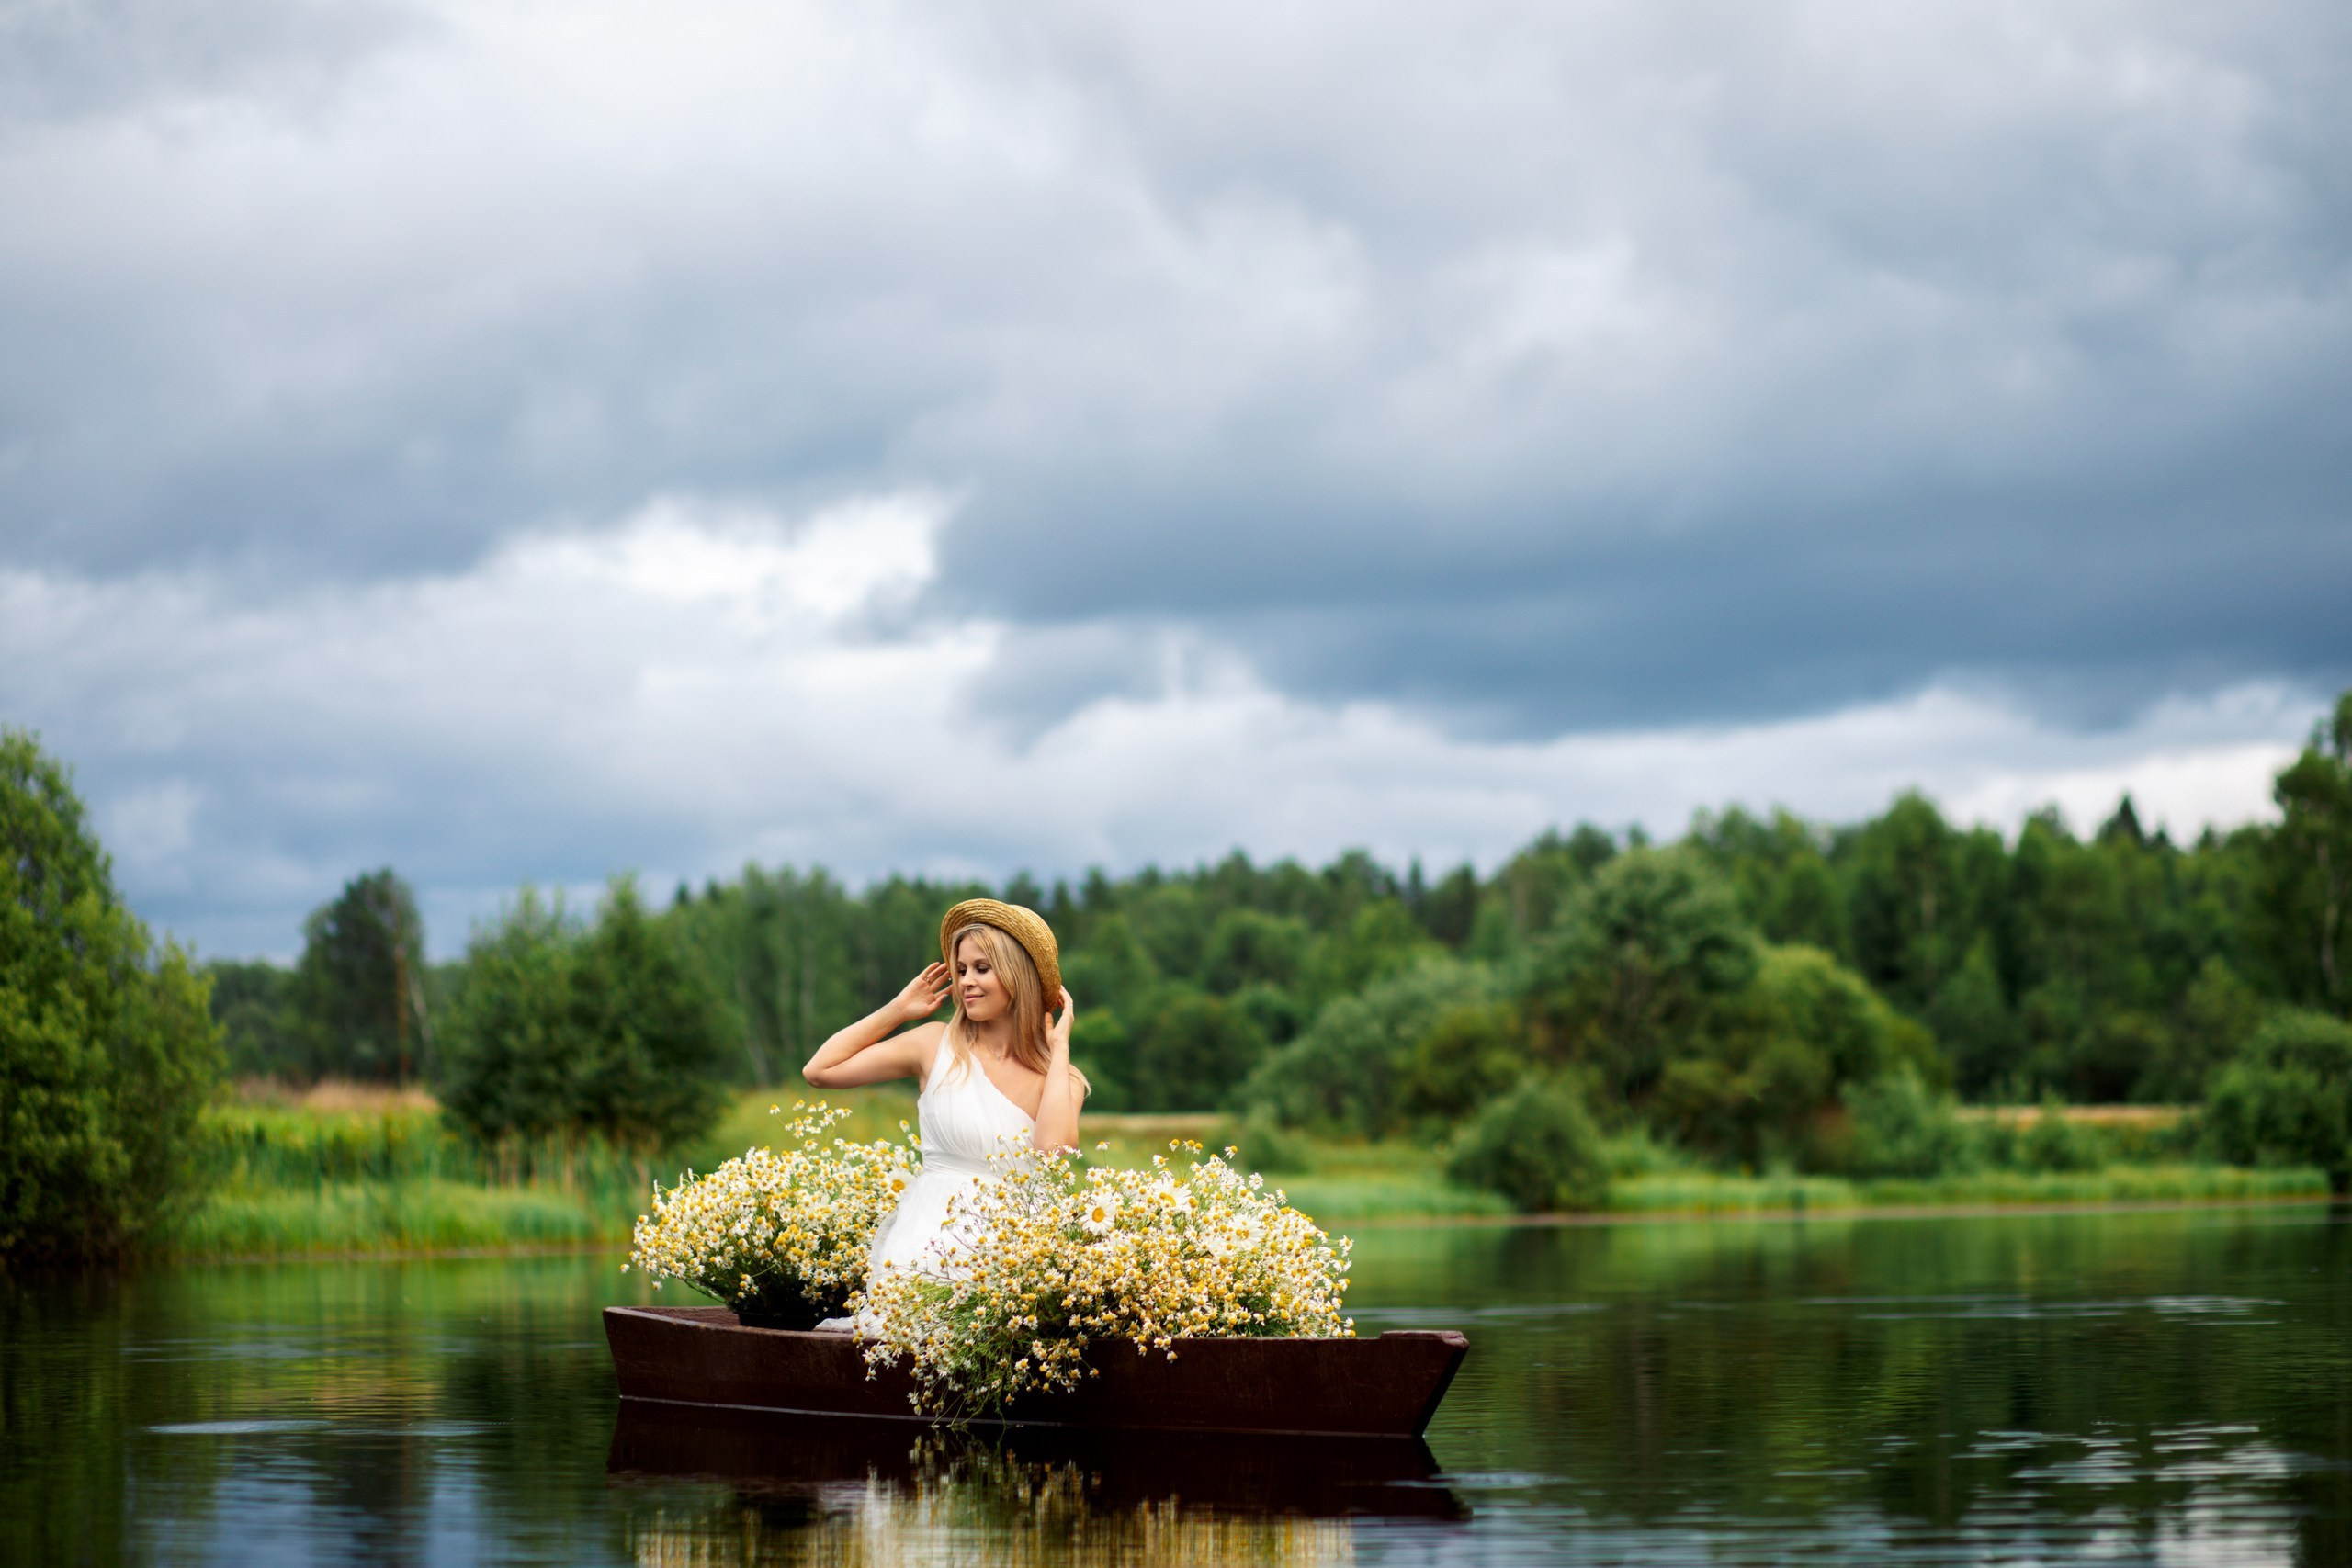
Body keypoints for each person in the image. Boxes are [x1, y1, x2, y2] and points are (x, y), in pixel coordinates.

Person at [801, 899, 1087, 1305]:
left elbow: (1052, 1155)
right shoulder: (934, 1044)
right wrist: (898, 1010)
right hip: (929, 1248)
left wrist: (1059, 1050)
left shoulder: (1062, 1079)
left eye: (982, 968)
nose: (966, 980)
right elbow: (820, 1070)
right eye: (962, 969)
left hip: (1019, 1263)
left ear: (1017, 976)